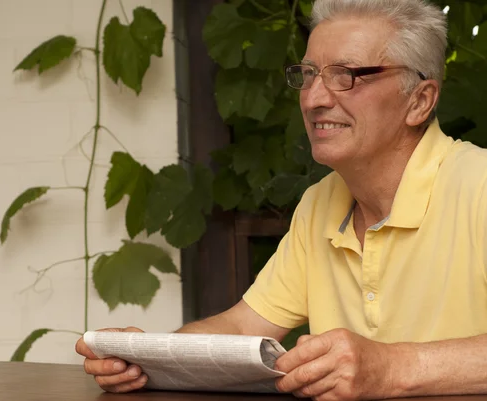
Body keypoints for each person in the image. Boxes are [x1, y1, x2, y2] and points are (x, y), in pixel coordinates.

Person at [75, 0, 487, 399]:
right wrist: (147, 359)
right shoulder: (318, 203)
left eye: (346, 74)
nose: (313, 98)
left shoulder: (480, 185)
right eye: (308, 75)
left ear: (419, 101)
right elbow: (242, 329)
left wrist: (392, 369)